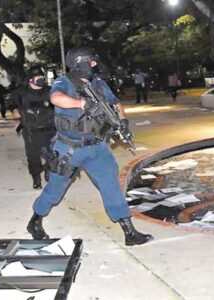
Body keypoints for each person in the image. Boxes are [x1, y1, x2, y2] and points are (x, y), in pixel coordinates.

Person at [26, 47, 153, 246]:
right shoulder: (64, 82)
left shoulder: (100, 84)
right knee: (55, 189)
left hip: (97, 147)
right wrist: (83, 104)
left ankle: (129, 232)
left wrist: (123, 122)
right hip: (70, 149)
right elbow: (55, 98)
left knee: (110, 185)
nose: (94, 65)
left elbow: (116, 104)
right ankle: (35, 221)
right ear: (81, 63)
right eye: (91, 62)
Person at [11, 65, 56, 189]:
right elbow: (13, 105)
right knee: (32, 157)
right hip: (31, 132)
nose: (41, 78)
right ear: (31, 78)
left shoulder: (50, 91)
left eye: (42, 76)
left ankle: (48, 169)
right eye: (38, 76)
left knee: (53, 155)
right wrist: (15, 111)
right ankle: (36, 178)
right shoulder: (21, 93)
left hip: (50, 130)